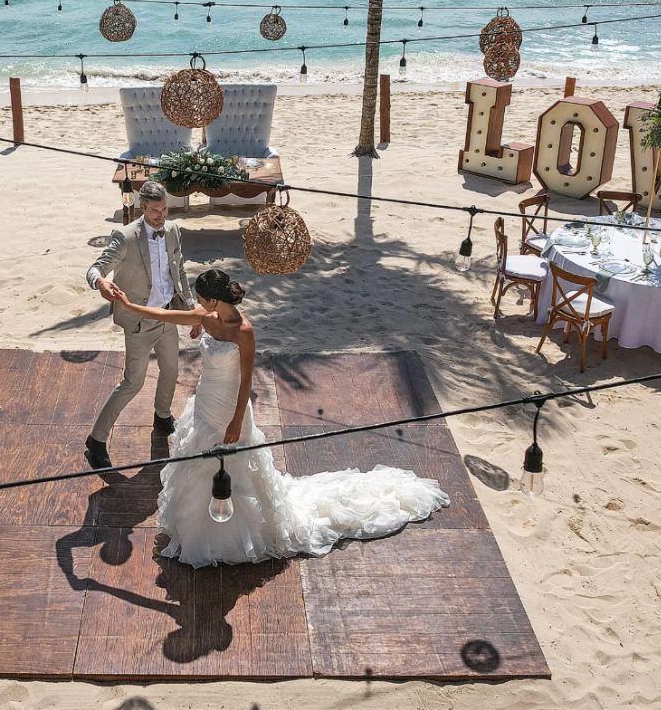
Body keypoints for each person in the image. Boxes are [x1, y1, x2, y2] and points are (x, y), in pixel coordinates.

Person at [111, 268, 450, 568]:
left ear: (214, 300)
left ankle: (234, 535)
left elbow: (246, 381)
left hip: (232, 406)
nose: (197, 304)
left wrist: (235, 421)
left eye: (201, 299)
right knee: (199, 463)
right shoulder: (207, 317)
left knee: (234, 467)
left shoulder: (244, 331)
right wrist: (128, 305)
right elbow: (164, 316)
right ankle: (199, 529)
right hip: (205, 402)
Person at [84, 181, 198, 470]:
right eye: (155, 210)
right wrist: (100, 282)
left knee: (171, 371)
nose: (161, 215)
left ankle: (161, 417)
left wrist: (192, 308)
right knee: (132, 383)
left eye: (164, 209)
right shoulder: (125, 237)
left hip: (167, 316)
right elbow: (95, 267)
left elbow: (179, 269)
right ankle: (96, 441)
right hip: (138, 322)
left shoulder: (172, 230)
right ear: (142, 208)